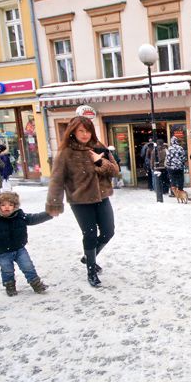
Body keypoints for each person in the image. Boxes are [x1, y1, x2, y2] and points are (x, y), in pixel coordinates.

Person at [46, 116, 120, 287]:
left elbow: (115, 171)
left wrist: (99, 160)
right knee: (90, 234)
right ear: (73, 132)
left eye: (88, 131)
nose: (85, 134)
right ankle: (91, 270)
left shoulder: (99, 147)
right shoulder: (66, 153)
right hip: (80, 200)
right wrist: (54, 203)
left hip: (102, 197)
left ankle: (88, 257)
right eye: (81, 131)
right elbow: (56, 180)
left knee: (108, 232)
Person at [0, 192, 51, 296]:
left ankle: (36, 284)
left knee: (28, 267)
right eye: (3, 205)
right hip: (3, 253)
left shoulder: (20, 216)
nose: (7, 207)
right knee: (7, 270)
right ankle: (10, 286)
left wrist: (49, 214)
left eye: (10, 205)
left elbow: (34, 218)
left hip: (19, 249)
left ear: (15, 206)